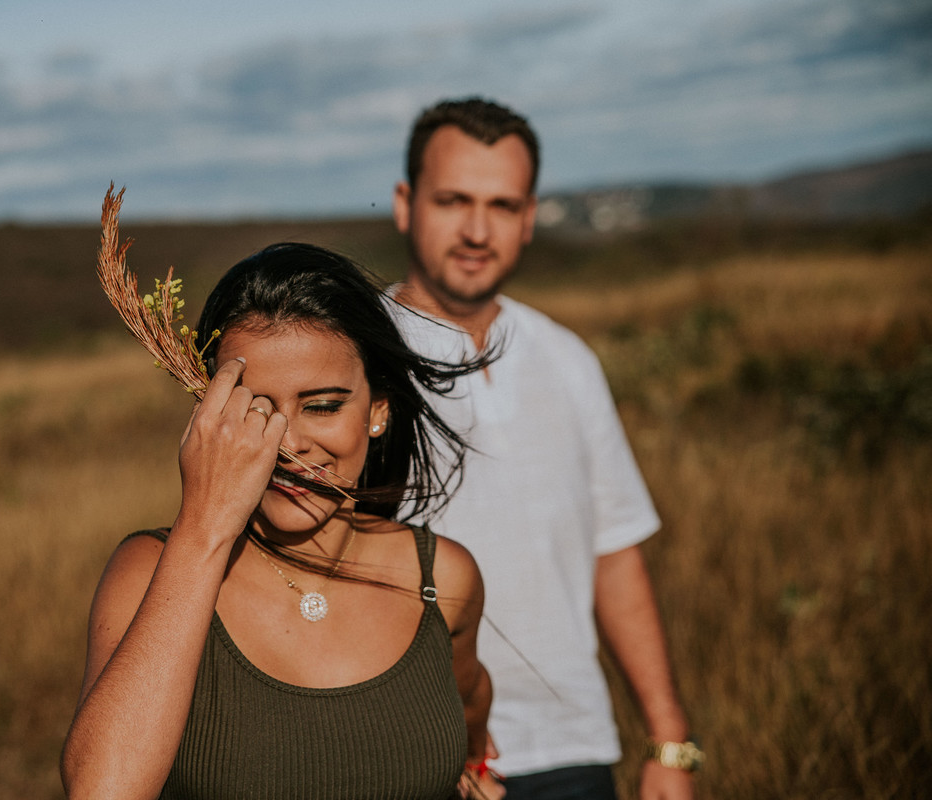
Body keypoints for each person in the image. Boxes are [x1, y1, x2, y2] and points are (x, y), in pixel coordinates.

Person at [61, 242, 506, 799]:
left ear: (379, 411)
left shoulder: (443, 577)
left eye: (322, 406)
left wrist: (477, 771)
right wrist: (205, 525)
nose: (289, 444)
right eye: (256, 410)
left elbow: (470, 698)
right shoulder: (151, 572)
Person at [387, 97, 700, 799]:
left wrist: (669, 742)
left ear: (530, 218)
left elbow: (613, 554)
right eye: (452, 200)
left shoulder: (568, 359)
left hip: (572, 750)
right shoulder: (356, 362)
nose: (475, 230)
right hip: (422, 757)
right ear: (406, 204)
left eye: (501, 205)